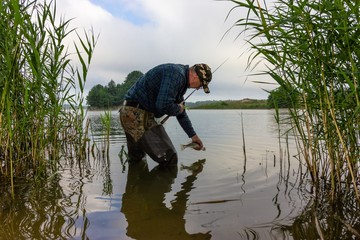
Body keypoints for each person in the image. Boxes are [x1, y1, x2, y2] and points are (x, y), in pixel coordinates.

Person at [119, 63, 212, 167]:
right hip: (136, 114)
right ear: (196, 76)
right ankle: (162, 182)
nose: (198, 88)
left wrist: (193, 136)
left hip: (129, 112)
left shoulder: (180, 79)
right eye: (201, 84)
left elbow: (181, 114)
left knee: (137, 160)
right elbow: (163, 105)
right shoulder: (176, 75)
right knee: (169, 158)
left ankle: (139, 183)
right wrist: (179, 109)